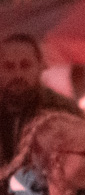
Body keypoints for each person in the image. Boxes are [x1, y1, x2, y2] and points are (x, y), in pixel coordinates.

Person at [0, 34, 78, 167]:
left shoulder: (63, 111)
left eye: (25, 66)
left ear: (39, 67)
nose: (18, 74)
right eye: (9, 66)